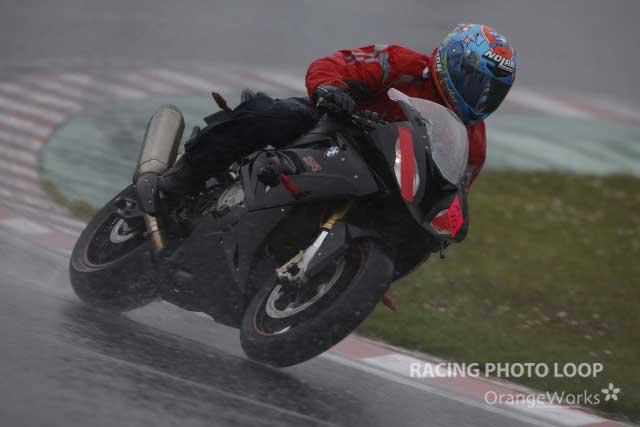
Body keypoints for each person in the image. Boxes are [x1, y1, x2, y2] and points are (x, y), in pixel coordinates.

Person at [156, 23, 517, 201]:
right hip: (334, 131)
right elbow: (338, 64)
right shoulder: (402, 63)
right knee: (276, 115)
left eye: (493, 92)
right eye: (476, 82)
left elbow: (452, 196)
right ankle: (182, 177)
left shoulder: (473, 143)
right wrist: (331, 89)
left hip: (381, 183)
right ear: (452, 61)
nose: (482, 97)